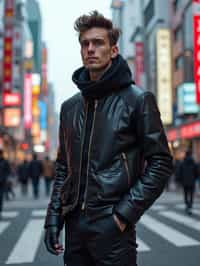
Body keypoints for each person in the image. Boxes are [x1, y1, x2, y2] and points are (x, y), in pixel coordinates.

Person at [44, 11, 173, 266]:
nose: (90, 49)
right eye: (85, 43)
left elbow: (161, 162)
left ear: (113, 51)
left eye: (98, 43)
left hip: (113, 229)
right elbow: (63, 168)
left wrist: (123, 215)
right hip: (75, 228)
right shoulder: (69, 108)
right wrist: (54, 217)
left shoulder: (136, 100)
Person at [178, 150, 198, 215]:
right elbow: (197, 172)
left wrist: (180, 180)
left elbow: (179, 173)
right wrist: (194, 178)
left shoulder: (182, 163)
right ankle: (190, 205)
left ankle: (187, 205)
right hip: (192, 181)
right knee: (191, 194)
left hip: (185, 181)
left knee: (186, 194)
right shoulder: (194, 162)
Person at [0, 149, 11, 219]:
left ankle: (0, 211)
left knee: (0, 197)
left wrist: (5, 178)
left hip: (2, 182)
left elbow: (8, 171)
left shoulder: (5, 162)